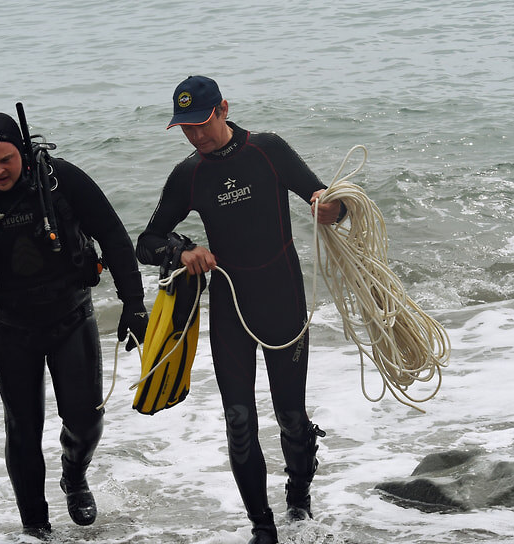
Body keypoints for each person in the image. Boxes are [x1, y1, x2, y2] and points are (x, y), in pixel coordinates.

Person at [136, 76, 345, 544]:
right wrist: (182, 248)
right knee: (239, 421)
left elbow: (326, 196)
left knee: (290, 414)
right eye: (185, 128)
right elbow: (145, 243)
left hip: (282, 299)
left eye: (202, 123)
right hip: (230, 308)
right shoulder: (188, 174)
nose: (196, 135)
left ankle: (298, 500)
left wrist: (330, 208)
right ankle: (262, 528)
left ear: (223, 109)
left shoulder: (267, 151)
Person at [0, 111, 148, 538]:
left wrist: (134, 304)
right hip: (10, 329)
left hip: (71, 317)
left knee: (85, 420)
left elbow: (115, 237)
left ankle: (74, 476)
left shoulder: (63, 181)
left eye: (6, 159)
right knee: (23, 429)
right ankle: (35, 527)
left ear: (22, 150)